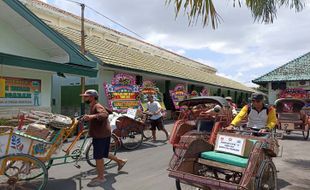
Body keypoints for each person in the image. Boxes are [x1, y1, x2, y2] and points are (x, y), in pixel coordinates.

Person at [80, 89, 127, 187]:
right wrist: (89, 116)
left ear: (92, 97)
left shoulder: (97, 105)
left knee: (98, 157)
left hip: (100, 135)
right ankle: (120, 161)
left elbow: (104, 114)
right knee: (104, 153)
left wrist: (92, 116)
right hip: (104, 133)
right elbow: (108, 111)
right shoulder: (96, 105)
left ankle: (101, 177)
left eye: (86, 96)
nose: (84, 98)